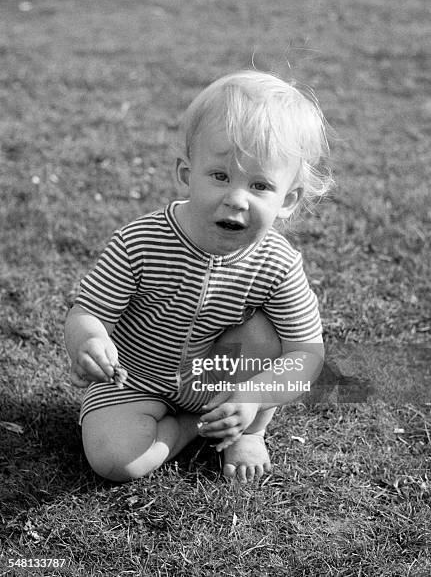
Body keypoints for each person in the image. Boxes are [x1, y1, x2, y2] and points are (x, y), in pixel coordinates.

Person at [65, 70, 333, 484]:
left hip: (222, 379)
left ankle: (248, 430)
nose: (237, 198)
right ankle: (193, 427)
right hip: (134, 378)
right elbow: (89, 311)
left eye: (260, 185)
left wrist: (254, 394)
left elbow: (306, 354)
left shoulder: (277, 262)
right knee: (115, 460)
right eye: (220, 176)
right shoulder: (140, 242)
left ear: (288, 200)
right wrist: (90, 340)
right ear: (187, 174)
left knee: (265, 333)